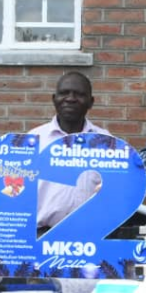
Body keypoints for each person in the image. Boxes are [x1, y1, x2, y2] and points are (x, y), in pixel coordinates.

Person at [31, 72, 111, 231]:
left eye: (79, 94)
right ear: (54, 99)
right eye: (64, 93)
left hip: (91, 236)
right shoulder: (32, 141)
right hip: (41, 236)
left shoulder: (107, 142)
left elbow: (116, 191)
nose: (70, 98)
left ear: (91, 102)